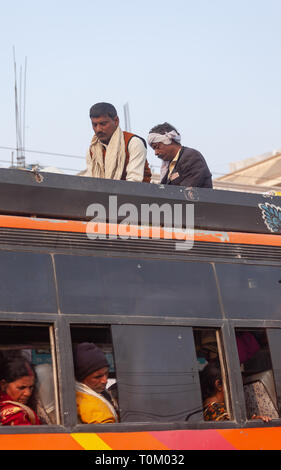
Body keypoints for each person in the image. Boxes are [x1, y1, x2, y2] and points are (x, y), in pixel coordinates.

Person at [84, 102, 151, 183]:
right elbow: (90, 182)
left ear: (116, 121)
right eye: (94, 125)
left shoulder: (133, 143)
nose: (98, 129)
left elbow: (134, 182)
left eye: (103, 124)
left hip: (136, 194)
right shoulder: (92, 150)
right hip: (104, 195)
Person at [199, 359, 272, 423]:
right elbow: (236, 435)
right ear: (219, 385)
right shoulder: (217, 411)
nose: (237, 388)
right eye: (233, 382)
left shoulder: (203, 411)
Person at [148, 122, 212, 188]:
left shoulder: (191, 157)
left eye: (157, 147)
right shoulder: (169, 166)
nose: (156, 153)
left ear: (169, 140)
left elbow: (186, 193)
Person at [73, 342, 118, 424]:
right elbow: (107, 432)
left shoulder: (99, 393)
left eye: (107, 373)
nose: (105, 380)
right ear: (81, 378)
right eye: (98, 377)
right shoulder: (88, 402)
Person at [0, 354, 41, 425]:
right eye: (21, 388)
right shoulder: (16, 415)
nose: (28, 393)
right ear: (3, 385)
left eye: (31, 387)